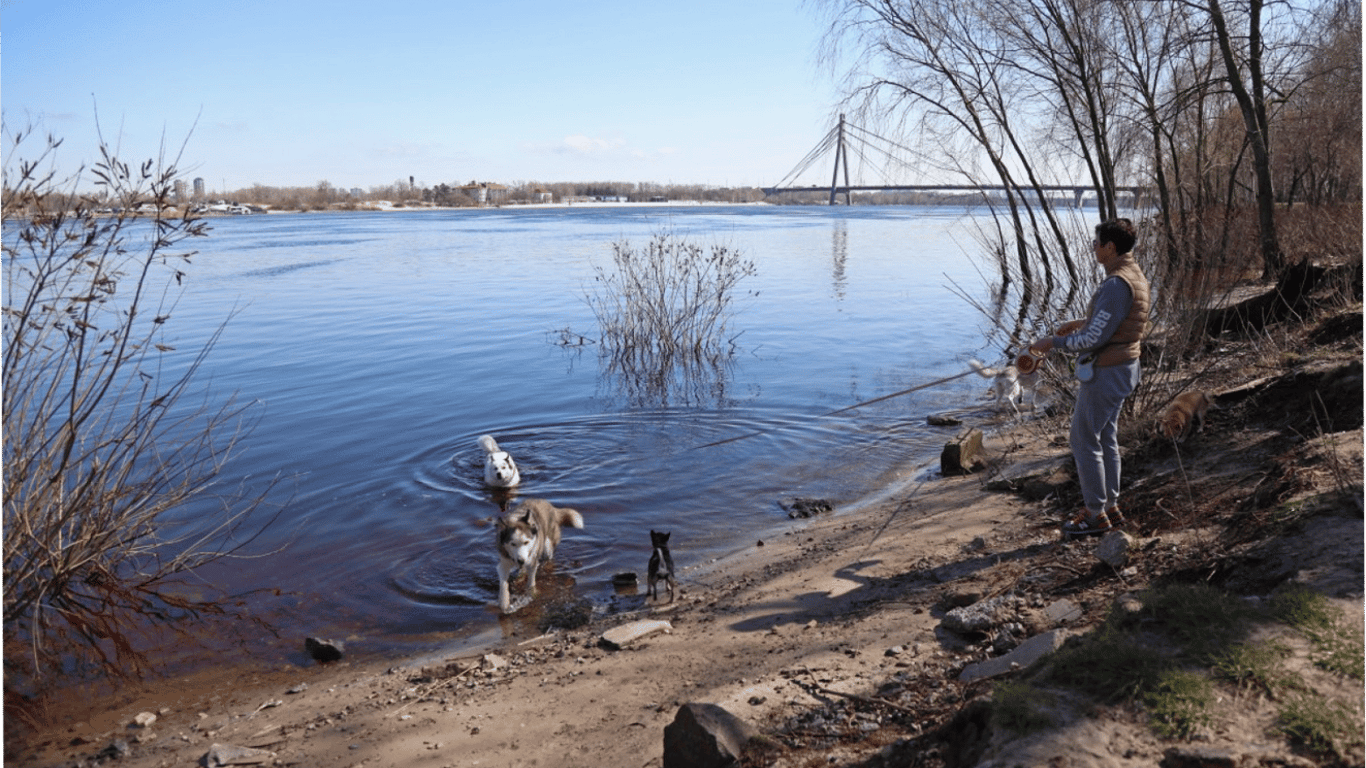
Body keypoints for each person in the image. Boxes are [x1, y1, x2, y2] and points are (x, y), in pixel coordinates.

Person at [1029, 218, 1150, 536]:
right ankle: (1110, 507)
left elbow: (1093, 340)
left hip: (1108, 372)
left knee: (1083, 440)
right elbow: (1122, 317)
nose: (1093, 248)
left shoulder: (1114, 284)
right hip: (1125, 368)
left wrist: (1051, 343)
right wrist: (1083, 319)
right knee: (1105, 438)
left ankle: (1095, 514)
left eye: (1096, 243)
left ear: (1110, 248)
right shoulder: (1132, 274)